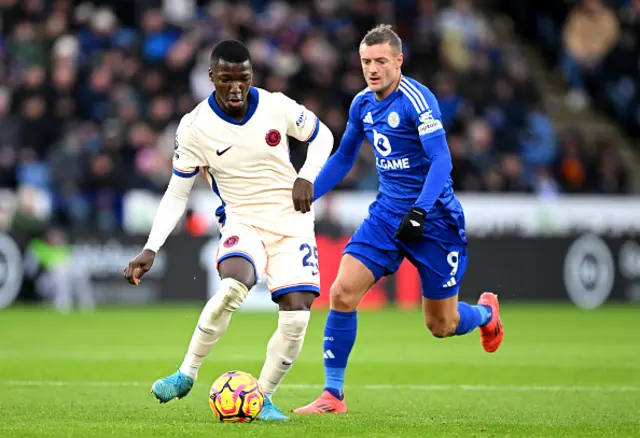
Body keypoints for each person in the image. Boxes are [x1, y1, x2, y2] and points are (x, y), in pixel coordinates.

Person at [294, 24, 504, 415]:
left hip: (434, 220)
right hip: (387, 215)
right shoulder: (362, 104)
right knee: (340, 292)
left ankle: (487, 314)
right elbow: (343, 157)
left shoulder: (417, 100)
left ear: (398, 61)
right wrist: (307, 191)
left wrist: (420, 211)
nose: (372, 69)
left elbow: (442, 160)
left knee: (440, 325)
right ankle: (332, 395)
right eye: (365, 62)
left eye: (380, 62)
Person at [123, 39, 333, 421]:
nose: (236, 88)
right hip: (242, 219)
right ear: (211, 78)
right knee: (233, 286)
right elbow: (177, 191)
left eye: (243, 78)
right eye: (226, 79)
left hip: (293, 221)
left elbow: (323, 136)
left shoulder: (275, 105)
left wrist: (306, 175)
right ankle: (186, 373)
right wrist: (151, 247)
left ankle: (263, 397)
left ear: (251, 76)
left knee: (298, 313)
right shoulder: (194, 127)